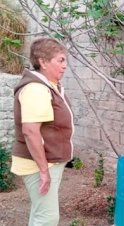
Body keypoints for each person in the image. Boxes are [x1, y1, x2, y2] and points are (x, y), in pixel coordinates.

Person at [11, 38, 74, 226]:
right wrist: (44, 171)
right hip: (39, 163)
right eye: (60, 60)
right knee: (47, 218)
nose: (65, 66)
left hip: (48, 162)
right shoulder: (36, 89)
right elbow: (30, 131)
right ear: (43, 62)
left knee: (41, 213)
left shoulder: (50, 86)